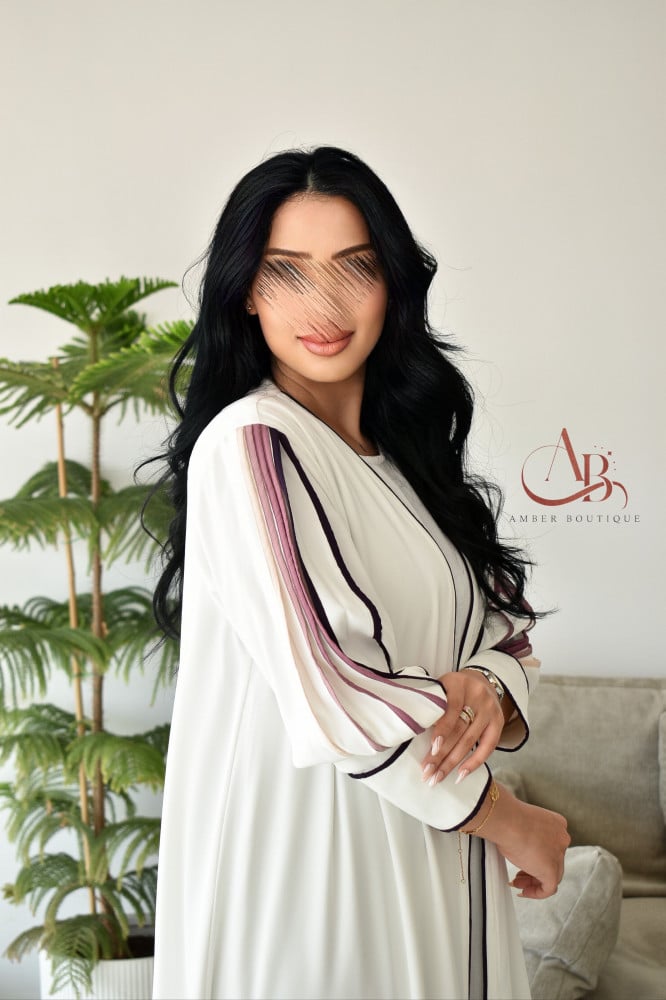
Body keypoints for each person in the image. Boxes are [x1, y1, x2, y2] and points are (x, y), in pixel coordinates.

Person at [151, 145, 569, 1000]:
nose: (325, 305)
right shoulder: (253, 446)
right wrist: (514, 822)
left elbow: (508, 633)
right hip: (314, 879)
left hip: (435, 858)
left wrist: (488, 688)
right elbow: (339, 695)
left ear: (392, 286)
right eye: (287, 272)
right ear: (246, 292)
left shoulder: (409, 460)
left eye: (355, 267)